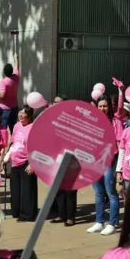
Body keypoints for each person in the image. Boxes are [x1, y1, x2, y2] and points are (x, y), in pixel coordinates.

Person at [88, 95, 125, 236]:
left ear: (109, 107)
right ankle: (99, 222)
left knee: (111, 193)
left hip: (109, 161)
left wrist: (119, 167)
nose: (102, 108)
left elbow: (120, 145)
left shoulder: (115, 122)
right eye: (100, 106)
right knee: (98, 193)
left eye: (105, 106)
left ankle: (112, 223)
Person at [50, 95, 79, 226]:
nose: (55, 104)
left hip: (72, 160)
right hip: (57, 159)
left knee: (70, 190)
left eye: (58, 102)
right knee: (59, 189)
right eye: (54, 102)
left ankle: (70, 217)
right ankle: (61, 214)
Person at [9, 105, 38, 222]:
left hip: (27, 161)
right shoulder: (16, 126)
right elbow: (13, 142)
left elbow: (37, 148)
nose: (20, 115)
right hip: (15, 161)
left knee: (27, 190)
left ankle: (27, 214)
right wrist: (8, 155)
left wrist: (32, 164)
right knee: (15, 188)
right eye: (19, 112)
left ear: (29, 116)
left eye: (23, 113)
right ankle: (17, 211)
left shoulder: (34, 127)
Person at [0, 51, 20, 132]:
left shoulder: (4, 82)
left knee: (3, 128)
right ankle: (14, 139)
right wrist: (16, 58)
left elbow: (2, 95)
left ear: (4, 72)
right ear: (12, 71)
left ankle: (3, 140)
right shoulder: (16, 77)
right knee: (13, 127)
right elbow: (16, 67)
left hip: (5, 108)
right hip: (14, 107)